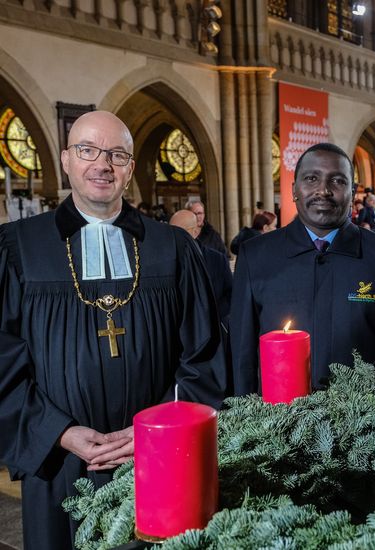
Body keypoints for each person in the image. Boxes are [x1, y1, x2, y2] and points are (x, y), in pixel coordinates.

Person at [0, 111, 226, 550]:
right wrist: (59, 432)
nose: (102, 164)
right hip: (57, 460)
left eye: (117, 154)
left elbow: (205, 354)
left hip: (159, 455)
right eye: (88, 150)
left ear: (130, 168)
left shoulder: (173, 248)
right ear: (66, 160)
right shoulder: (17, 248)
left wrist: (152, 428)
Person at [230, 143, 375, 394]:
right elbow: (243, 357)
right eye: (311, 178)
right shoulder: (255, 256)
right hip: (276, 423)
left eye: (337, 181)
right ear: (294, 189)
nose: (323, 190)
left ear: (352, 192)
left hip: (366, 423)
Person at [170, 209, 233, 326]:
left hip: (212, 327)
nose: (173, 236)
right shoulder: (164, 260)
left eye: (179, 232)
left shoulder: (217, 260)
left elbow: (231, 294)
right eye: (170, 231)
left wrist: (212, 314)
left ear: (195, 232)